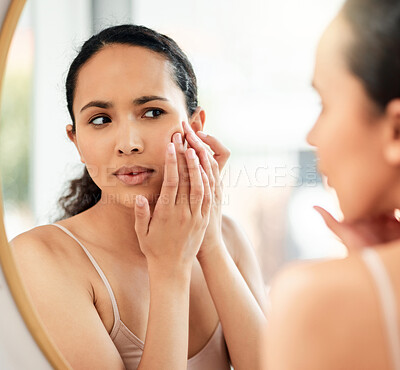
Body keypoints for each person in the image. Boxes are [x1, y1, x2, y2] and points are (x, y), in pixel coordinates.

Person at [10, 25, 267, 369]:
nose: (128, 142)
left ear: (195, 125)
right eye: (100, 119)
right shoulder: (41, 259)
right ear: (76, 141)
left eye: (152, 112)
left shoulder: (228, 238)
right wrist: (169, 269)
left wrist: (209, 244)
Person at [265, 0, 400, 369]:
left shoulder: (312, 299)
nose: (312, 136)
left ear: (396, 130)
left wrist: (369, 283)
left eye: (323, 103)